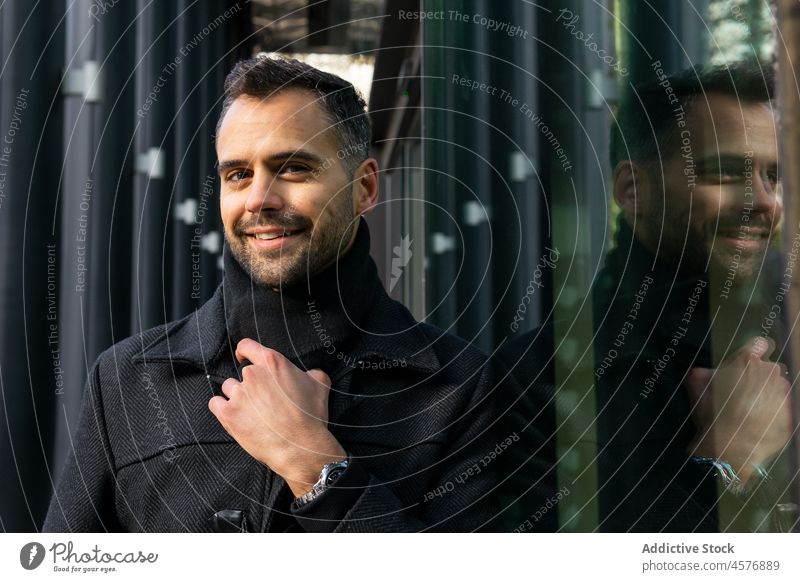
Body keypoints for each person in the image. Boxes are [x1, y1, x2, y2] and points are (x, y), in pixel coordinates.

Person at [44, 56, 505, 532]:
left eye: (294, 168)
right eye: (238, 174)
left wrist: (318, 469)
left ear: (364, 187)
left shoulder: (458, 389)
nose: (259, 199)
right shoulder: (127, 381)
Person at [499, 64, 796, 532]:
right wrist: (727, 458)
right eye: (723, 172)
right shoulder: (540, 380)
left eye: (773, 177)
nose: (764, 202)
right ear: (632, 189)